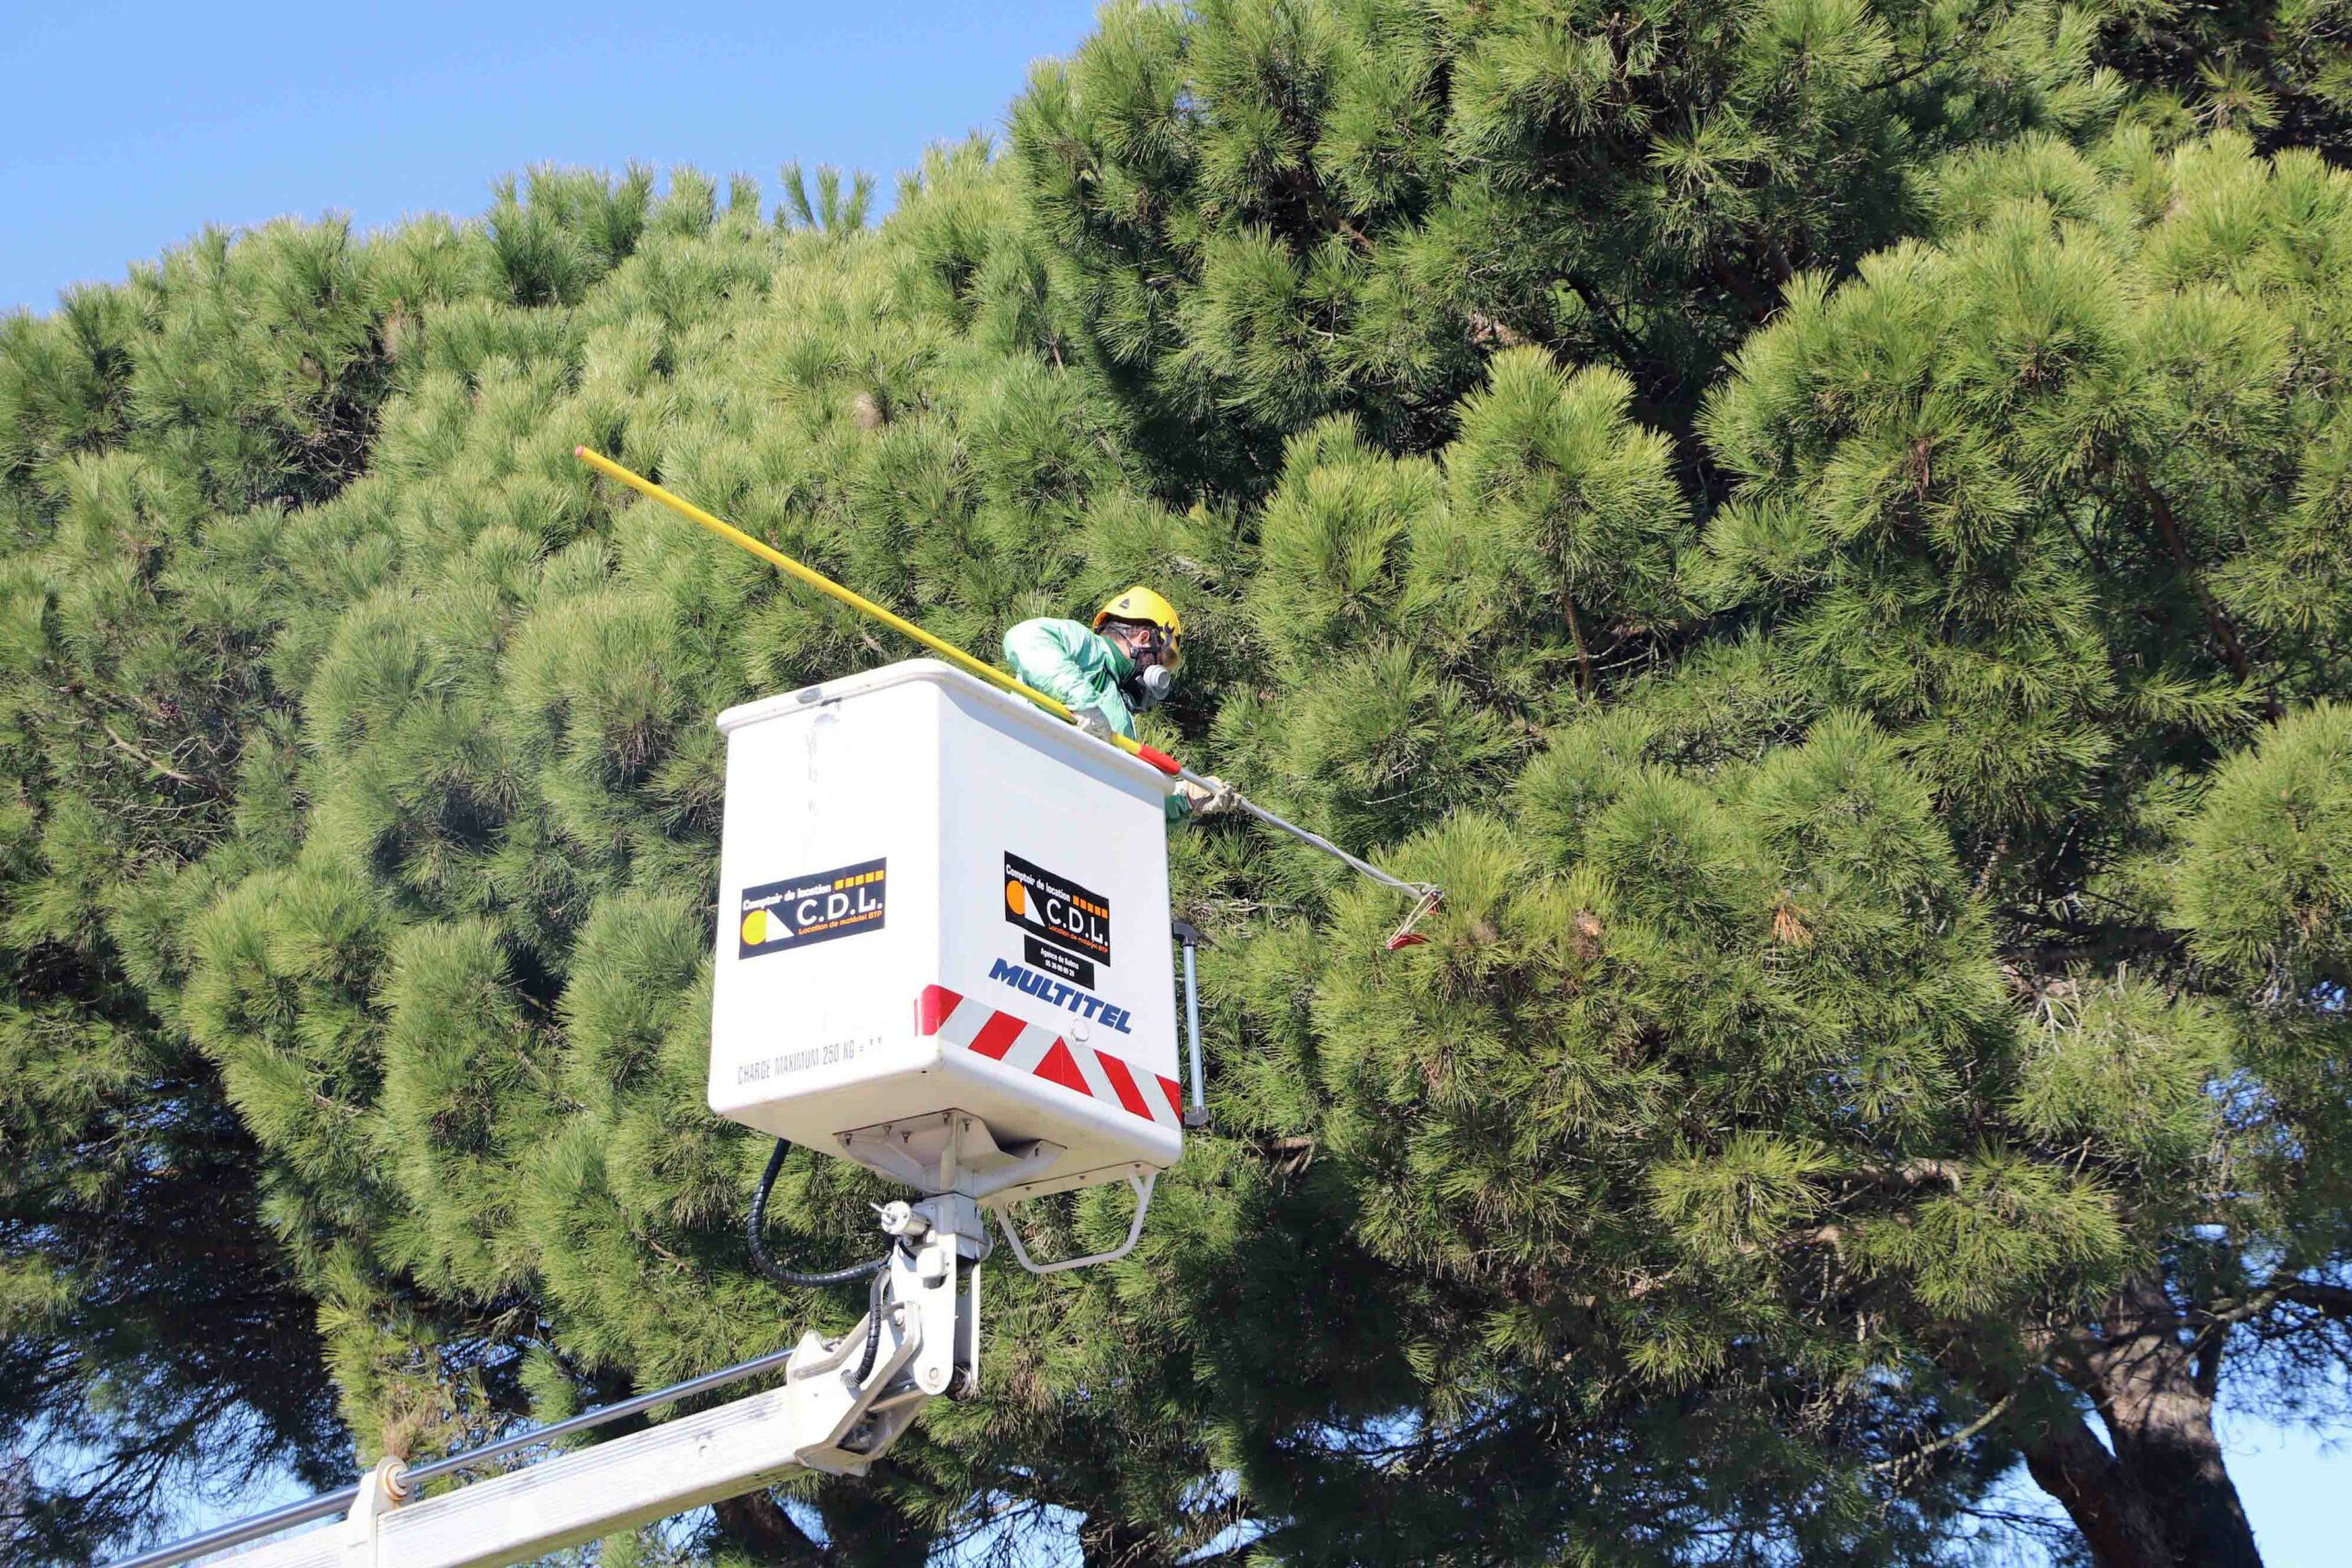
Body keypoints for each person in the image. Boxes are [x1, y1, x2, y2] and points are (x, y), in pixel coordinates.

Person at [1003, 587, 1238, 822]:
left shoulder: (1121, 715)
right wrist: (1082, 702)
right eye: (1161, 662)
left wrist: (1188, 798)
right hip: (1021, 781)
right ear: (1144, 639)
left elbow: (1131, 798)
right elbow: (1025, 637)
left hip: (1060, 811)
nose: (1158, 675)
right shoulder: (1089, 648)